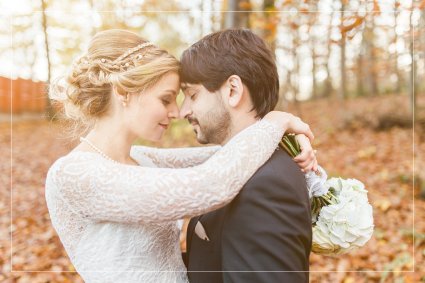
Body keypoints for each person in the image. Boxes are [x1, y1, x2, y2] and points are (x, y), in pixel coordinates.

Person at [45, 29, 316, 283]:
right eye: (166, 99)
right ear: (123, 93)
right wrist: (274, 123)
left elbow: (223, 156)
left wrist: (286, 140)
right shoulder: (73, 175)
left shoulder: (141, 159)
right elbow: (210, 184)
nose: (176, 113)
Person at [180, 29, 313, 283]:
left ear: (232, 90)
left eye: (192, 95)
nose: (184, 110)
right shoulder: (237, 165)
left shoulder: (266, 185)